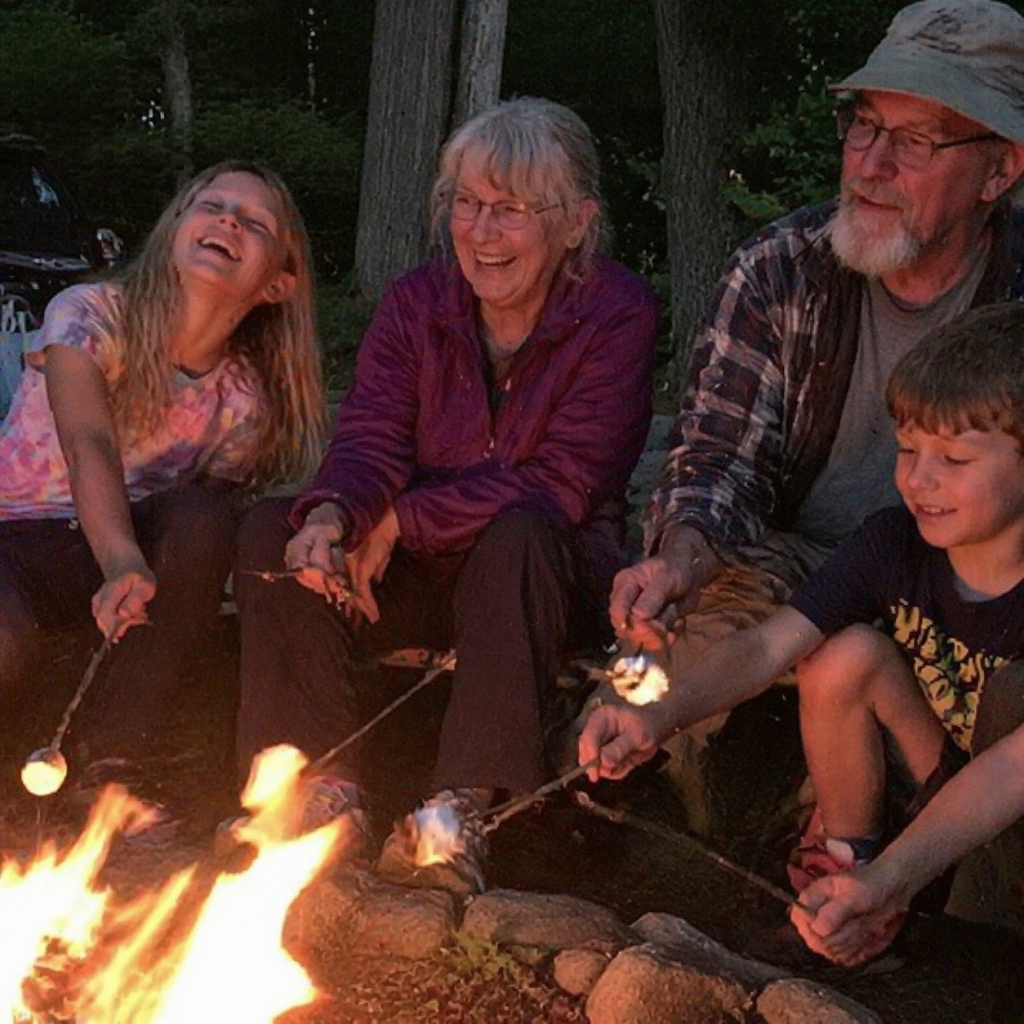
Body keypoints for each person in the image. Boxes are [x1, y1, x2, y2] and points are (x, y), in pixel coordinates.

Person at [582, 0, 1024, 837]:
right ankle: (610, 818)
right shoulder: (783, 267)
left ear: (1000, 172)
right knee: (660, 657)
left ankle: (879, 847)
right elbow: (717, 456)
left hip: (976, 572)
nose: (873, 163)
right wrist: (678, 559)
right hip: (803, 553)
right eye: (864, 127)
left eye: (918, 140)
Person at [229, 96, 659, 894]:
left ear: (576, 223)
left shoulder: (616, 313)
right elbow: (370, 437)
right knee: (271, 533)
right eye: (466, 203)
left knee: (524, 530)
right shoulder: (417, 304)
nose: (482, 232)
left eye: (512, 210)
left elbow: (567, 481)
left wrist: (404, 517)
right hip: (412, 573)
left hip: (542, 583)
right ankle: (321, 789)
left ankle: (461, 808)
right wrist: (336, 515)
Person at [582, 301, 1024, 959]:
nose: (919, 479)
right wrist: (657, 713)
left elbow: (1014, 766)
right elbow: (766, 645)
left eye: (955, 460)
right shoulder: (894, 544)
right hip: (947, 774)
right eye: (907, 450)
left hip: (1011, 793)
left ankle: (959, 920)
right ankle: (846, 885)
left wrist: (896, 879)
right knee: (840, 655)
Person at [0, 160, 324, 803]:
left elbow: (198, 535)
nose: (228, 220)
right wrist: (122, 558)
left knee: (204, 520)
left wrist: (138, 569)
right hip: (16, 538)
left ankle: (108, 770)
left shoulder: (243, 403)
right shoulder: (90, 313)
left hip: (121, 565)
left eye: (255, 222)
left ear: (278, 282)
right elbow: (86, 438)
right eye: (211, 205)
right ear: (174, 228)